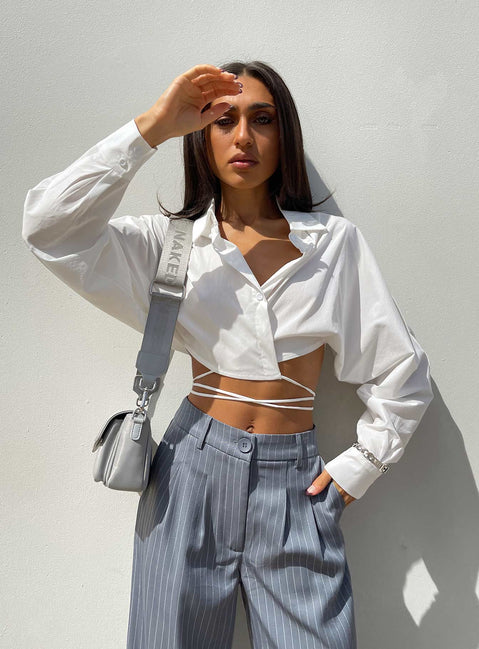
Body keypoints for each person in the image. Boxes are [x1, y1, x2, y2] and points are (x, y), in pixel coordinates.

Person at [22, 61, 434, 649]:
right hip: (190, 473)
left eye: (261, 119)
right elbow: (48, 229)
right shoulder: (169, 243)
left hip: (296, 486)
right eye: (223, 120)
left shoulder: (331, 245)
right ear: (201, 136)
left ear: (283, 135)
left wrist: (356, 470)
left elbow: (400, 372)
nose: (243, 136)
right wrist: (153, 127)